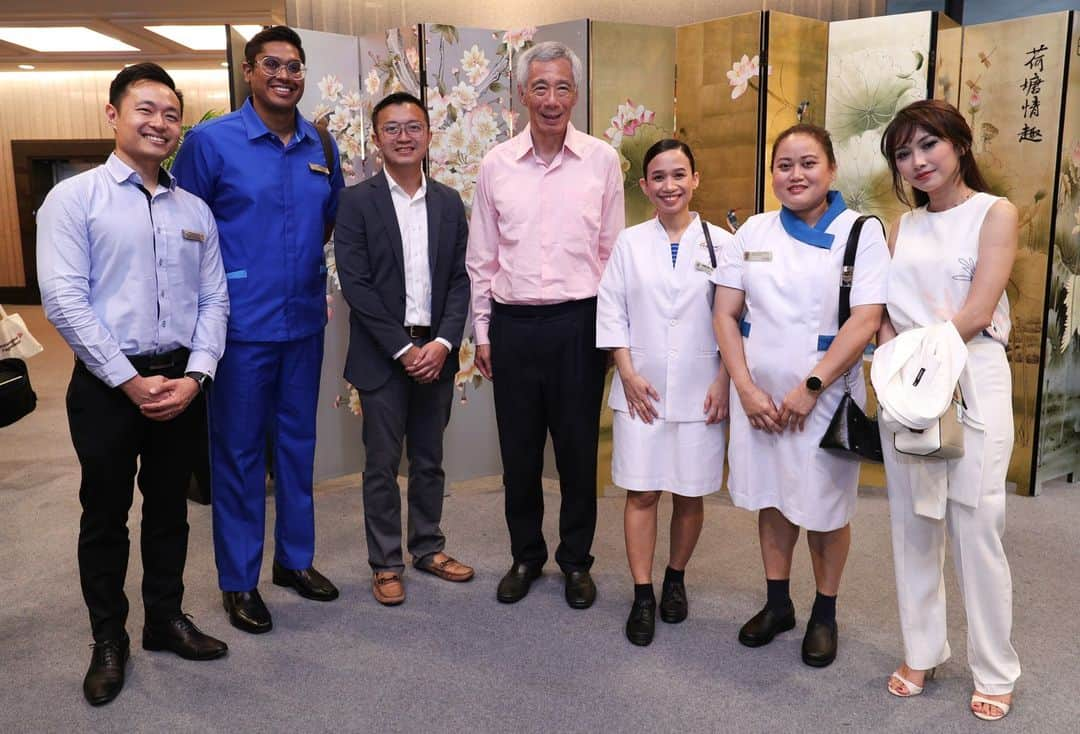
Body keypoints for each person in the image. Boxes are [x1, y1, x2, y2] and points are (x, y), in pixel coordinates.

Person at [36, 63, 230, 706]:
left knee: (171, 507)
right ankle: (107, 638)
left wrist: (197, 375)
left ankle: (164, 619)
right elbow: (63, 300)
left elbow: (215, 301)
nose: (161, 123)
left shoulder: (195, 208)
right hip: (106, 384)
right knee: (106, 514)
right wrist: (127, 381)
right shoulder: (74, 199)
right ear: (113, 114)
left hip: (180, 381)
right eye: (146, 109)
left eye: (172, 113)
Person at [171, 25, 346, 634]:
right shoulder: (210, 143)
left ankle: (294, 562)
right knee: (240, 455)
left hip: (302, 322)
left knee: (299, 448)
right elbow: (182, 230)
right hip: (239, 329)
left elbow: (328, 223)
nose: (284, 75)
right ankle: (239, 580)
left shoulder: (321, 143)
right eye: (271, 63)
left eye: (295, 66)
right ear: (249, 71)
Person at [711, 123, 888, 667]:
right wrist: (745, 388)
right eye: (784, 165)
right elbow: (725, 312)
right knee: (772, 497)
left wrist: (811, 387)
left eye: (808, 163)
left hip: (825, 397)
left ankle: (825, 612)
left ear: (832, 169)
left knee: (824, 508)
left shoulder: (862, 232)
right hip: (759, 399)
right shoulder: (753, 232)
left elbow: (866, 319)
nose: (796, 175)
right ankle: (778, 603)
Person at [466, 40, 625, 609]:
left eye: (562, 87)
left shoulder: (603, 160)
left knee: (579, 452)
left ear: (576, 94)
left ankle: (577, 561)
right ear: (522, 94)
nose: (551, 99)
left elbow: (611, 257)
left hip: (579, 325)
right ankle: (526, 554)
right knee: (520, 453)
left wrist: (611, 336)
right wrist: (483, 332)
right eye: (540, 87)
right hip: (513, 327)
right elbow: (481, 257)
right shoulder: (496, 164)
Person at [878, 99, 1020, 722]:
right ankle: (922, 649)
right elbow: (883, 310)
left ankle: (994, 667)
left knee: (975, 526)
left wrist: (917, 359)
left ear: (959, 144)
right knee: (913, 525)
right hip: (908, 382)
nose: (917, 162)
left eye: (927, 145)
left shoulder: (996, 213)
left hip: (969, 377)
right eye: (904, 154)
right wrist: (893, 370)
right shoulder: (901, 227)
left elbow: (979, 309)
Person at [333, 92, 473, 605]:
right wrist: (401, 349)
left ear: (429, 135)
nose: (403, 136)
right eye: (392, 128)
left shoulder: (447, 202)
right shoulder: (355, 202)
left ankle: (429, 547)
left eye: (413, 126)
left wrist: (441, 343)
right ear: (376, 140)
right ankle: (386, 562)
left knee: (431, 459)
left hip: (435, 353)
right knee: (382, 465)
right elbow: (357, 284)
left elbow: (460, 280)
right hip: (382, 356)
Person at [596, 139, 731, 646]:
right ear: (644, 185)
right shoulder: (630, 243)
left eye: (679, 175)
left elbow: (736, 319)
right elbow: (612, 312)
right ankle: (643, 593)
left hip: (703, 390)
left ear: (695, 179)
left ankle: (675, 577)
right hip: (641, 390)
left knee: (690, 492)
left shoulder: (723, 243)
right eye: (658, 177)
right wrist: (626, 372)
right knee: (643, 490)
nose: (669, 185)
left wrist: (724, 379)